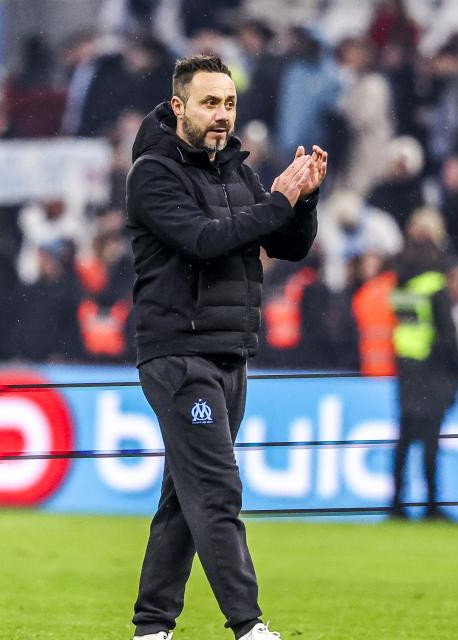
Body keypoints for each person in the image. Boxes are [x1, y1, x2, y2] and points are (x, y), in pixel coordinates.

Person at [125, 55, 326, 640]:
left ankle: (151, 627)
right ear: (179, 106)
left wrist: (302, 199)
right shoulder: (153, 174)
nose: (223, 116)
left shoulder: (235, 169)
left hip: (231, 351)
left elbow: (285, 245)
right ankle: (249, 626)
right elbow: (205, 241)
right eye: (210, 103)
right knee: (215, 489)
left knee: (183, 498)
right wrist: (277, 200)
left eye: (230, 104)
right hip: (178, 352)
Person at [388, 210, 458, 521]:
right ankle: (431, 503)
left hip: (407, 368)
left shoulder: (402, 282)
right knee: (431, 438)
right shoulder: (434, 284)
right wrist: (457, 367)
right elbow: (446, 333)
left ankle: (397, 501)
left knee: (405, 437)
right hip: (432, 370)